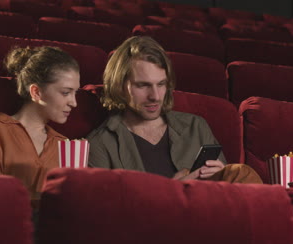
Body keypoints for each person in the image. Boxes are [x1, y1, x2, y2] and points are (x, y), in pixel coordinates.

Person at [87, 36, 262, 183]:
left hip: (209, 213)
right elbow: (110, 213)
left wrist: (221, 172)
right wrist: (174, 190)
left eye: (161, 84)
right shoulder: (100, 144)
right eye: (143, 85)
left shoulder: (196, 126)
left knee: (240, 173)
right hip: (155, 220)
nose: (155, 96)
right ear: (120, 87)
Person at [0, 46, 80, 208]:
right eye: (65, 92)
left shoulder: (65, 144)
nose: (74, 103)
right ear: (36, 92)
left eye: (75, 92)